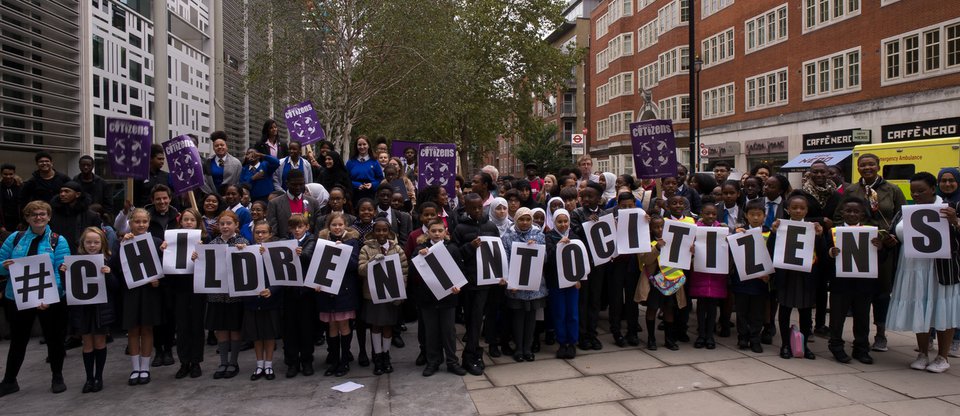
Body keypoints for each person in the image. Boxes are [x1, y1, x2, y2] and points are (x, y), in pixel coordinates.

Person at [882, 172, 960, 373]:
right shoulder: (905, 211)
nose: (916, 195)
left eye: (921, 191)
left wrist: (956, 222)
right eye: (913, 191)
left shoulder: (951, 208)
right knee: (919, 307)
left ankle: (942, 357)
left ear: (933, 189)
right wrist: (890, 240)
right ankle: (923, 353)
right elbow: (894, 233)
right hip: (912, 268)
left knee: (943, 310)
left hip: (941, 269)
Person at [0, 200, 71, 397]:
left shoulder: (58, 240)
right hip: (17, 297)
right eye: (34, 214)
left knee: (54, 340)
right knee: (18, 340)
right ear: (27, 217)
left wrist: (48, 296)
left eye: (42, 214)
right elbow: (0, 262)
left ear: (49, 217)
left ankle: (57, 377)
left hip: (49, 300)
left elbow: (60, 270)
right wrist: (3, 266)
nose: (38, 217)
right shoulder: (15, 238)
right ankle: (9, 380)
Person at [838, 153, 907, 352]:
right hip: (857, 247)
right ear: (858, 168)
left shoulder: (892, 190)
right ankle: (860, 336)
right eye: (863, 165)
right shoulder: (851, 190)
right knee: (859, 292)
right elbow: (839, 215)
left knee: (881, 292)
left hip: (882, 247)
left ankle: (881, 334)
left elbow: (902, 217)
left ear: (878, 166)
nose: (867, 168)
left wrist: (893, 237)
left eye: (871, 165)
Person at [110, 208, 165, 385]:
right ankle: (135, 368)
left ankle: (145, 368)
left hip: (149, 293)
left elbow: (165, 266)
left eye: (144, 222)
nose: (141, 225)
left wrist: (158, 280)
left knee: (147, 329)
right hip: (130, 291)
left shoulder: (156, 242)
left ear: (148, 223)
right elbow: (114, 266)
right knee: (133, 330)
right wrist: (122, 245)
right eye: (137, 221)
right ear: (130, 223)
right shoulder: (121, 243)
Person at [769, 195, 825, 360]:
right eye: (794, 208)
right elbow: (771, 249)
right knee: (785, 310)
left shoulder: (812, 228)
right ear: (788, 209)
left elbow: (822, 253)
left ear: (807, 210)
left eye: (802, 208)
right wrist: (773, 233)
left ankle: (805, 344)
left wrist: (820, 236)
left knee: (806, 313)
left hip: (806, 277)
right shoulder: (781, 226)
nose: (798, 211)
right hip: (786, 276)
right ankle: (785, 344)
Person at [452, 193, 501, 375]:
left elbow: (497, 252)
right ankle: (470, 354)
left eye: (480, 207)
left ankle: (475, 351)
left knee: (482, 318)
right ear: (466, 208)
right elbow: (455, 255)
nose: (477, 210)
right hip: (471, 282)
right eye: (473, 208)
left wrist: (499, 275)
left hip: (488, 280)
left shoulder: (490, 226)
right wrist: (470, 247)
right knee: (473, 319)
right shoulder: (460, 228)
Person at [411, 219, 467, 376]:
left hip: (448, 299)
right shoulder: (420, 249)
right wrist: (419, 258)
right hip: (427, 299)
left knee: (449, 331)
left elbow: (460, 271)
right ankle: (433, 361)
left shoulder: (453, 249)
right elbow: (413, 273)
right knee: (431, 331)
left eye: (440, 230)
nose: (436, 233)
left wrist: (458, 286)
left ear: (445, 232)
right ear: (427, 232)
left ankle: (452, 361)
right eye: (433, 230)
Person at [62, 227, 114, 393]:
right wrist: (63, 272)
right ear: (83, 244)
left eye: (96, 242)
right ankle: (89, 378)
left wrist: (109, 274)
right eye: (89, 242)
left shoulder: (107, 260)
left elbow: (116, 287)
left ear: (102, 243)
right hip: (82, 310)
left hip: (101, 310)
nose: (92, 245)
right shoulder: (74, 262)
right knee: (87, 344)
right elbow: (68, 288)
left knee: (99, 342)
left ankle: (99, 377)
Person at [825, 197, 875, 364]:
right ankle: (836, 345)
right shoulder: (833, 232)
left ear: (862, 214)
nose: (852, 214)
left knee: (862, 317)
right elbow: (824, 255)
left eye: (856, 211)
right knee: (837, 317)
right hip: (840, 284)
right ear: (842, 213)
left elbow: (879, 259)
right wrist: (830, 253)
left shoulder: (871, 232)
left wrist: (880, 247)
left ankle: (861, 348)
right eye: (848, 211)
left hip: (863, 283)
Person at [357, 218, 408, 375]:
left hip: (391, 295)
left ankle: (386, 356)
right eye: (378, 230)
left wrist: (400, 293)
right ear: (373, 232)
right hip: (373, 295)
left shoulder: (397, 249)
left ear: (389, 232)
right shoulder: (366, 248)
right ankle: (377, 357)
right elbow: (360, 270)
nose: (381, 233)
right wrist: (372, 262)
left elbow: (404, 272)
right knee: (376, 326)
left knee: (388, 326)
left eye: (384, 230)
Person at [202, 211, 247, 379]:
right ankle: (223, 362)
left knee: (234, 328)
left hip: (235, 295)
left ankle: (233, 362)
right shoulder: (212, 243)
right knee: (221, 328)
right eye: (222, 224)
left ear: (236, 225)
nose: (225, 226)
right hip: (217, 294)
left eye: (229, 223)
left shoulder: (243, 242)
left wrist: (243, 250)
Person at [315, 213, 360, 377]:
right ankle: (334, 360)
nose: (337, 228)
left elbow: (354, 265)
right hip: (326, 292)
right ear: (329, 227)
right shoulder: (321, 243)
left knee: (343, 325)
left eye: (340, 225)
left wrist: (342, 251)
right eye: (334, 225)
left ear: (345, 226)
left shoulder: (352, 242)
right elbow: (317, 265)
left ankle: (345, 360)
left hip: (344, 291)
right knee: (331, 327)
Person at [501, 208, 547, 362]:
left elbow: (545, 258)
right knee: (518, 317)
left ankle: (528, 347)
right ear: (516, 220)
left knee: (531, 317)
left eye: (528, 219)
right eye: (522, 219)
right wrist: (510, 282)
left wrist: (536, 248)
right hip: (516, 285)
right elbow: (505, 261)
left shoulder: (539, 235)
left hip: (534, 285)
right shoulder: (507, 237)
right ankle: (519, 348)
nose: (525, 222)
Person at [637, 216, 686, 351]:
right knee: (652, 309)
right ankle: (651, 339)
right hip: (654, 282)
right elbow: (645, 260)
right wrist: (657, 247)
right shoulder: (647, 242)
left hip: (671, 281)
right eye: (656, 227)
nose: (659, 229)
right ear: (650, 229)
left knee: (669, 309)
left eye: (662, 226)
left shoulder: (673, 241)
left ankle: (669, 339)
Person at [731, 200, 772, 353]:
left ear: (764, 216)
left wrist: (768, 274)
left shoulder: (769, 233)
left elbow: (774, 255)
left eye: (759, 215)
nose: (755, 218)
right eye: (752, 215)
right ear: (746, 216)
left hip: (761, 281)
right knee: (741, 311)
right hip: (742, 280)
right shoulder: (739, 232)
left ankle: (755, 338)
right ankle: (742, 337)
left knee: (757, 312)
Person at [171, 208, 208, 379]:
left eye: (192, 220)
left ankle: (196, 362)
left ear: (197, 223)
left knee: (196, 326)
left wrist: (201, 255)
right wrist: (165, 249)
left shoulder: (204, 241)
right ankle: (184, 362)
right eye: (185, 219)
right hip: (179, 288)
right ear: (180, 222)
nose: (188, 223)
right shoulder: (172, 240)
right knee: (182, 327)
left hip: (198, 289)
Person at [689, 202, 727, 349]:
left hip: (716, 275)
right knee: (701, 305)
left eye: (713, 214)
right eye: (707, 213)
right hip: (700, 273)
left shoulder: (721, 230)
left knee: (712, 306)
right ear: (701, 214)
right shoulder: (695, 229)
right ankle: (701, 334)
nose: (710, 216)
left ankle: (710, 335)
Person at [246, 222, 280, 381]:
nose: (260, 236)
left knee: (269, 334)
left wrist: (272, 290)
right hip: (252, 300)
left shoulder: (275, 252)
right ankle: (259, 364)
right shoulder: (247, 250)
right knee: (256, 335)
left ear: (270, 234)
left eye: (263, 233)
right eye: (257, 233)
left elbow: (282, 276)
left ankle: (269, 365)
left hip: (270, 299)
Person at [545, 208, 580, 358]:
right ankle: (562, 342)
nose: (563, 224)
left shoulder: (574, 236)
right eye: (559, 222)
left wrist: (579, 278)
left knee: (572, 312)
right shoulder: (549, 237)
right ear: (554, 222)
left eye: (565, 221)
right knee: (559, 312)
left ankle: (572, 342)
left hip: (572, 282)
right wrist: (558, 245)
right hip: (556, 282)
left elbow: (580, 260)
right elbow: (549, 260)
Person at [49, 181, 101, 254]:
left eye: (67, 191)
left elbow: (98, 238)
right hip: (57, 253)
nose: (62, 194)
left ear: (77, 194)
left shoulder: (92, 216)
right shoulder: (52, 215)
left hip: (82, 255)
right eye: (61, 192)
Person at [266, 170, 321, 240]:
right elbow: (272, 231)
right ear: (287, 183)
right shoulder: (274, 204)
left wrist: (310, 244)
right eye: (294, 184)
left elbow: (317, 229)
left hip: (308, 245)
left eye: (301, 184)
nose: (298, 187)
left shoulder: (313, 203)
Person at [202, 132, 243, 196]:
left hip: (230, 197)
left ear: (226, 146)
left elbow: (238, 182)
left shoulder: (236, 163)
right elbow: (204, 181)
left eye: (222, 145)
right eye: (216, 146)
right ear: (213, 148)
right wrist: (212, 195)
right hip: (211, 197)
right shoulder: (207, 162)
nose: (219, 147)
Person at [346, 136, 384, 205]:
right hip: (354, 195)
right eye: (359, 145)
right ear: (356, 146)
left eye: (364, 144)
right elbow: (346, 179)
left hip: (370, 195)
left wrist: (372, 185)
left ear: (368, 145)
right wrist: (356, 185)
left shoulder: (374, 162)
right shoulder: (351, 162)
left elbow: (380, 178)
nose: (362, 147)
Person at [0, 164, 23, 233]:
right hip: (3, 223)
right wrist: (0, 226)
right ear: (1, 174)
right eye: (5, 174)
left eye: (11, 174)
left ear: (14, 174)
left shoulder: (21, 187)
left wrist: (23, 222)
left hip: (18, 223)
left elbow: (24, 206)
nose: (8, 176)